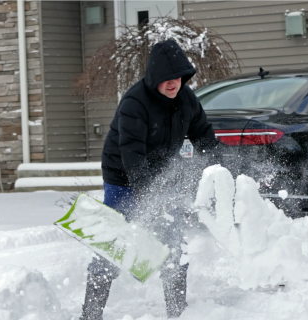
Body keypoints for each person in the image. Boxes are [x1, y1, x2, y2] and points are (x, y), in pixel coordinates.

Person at [80, 39, 220, 320]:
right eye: (166, 78)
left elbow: (204, 136)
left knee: (174, 244)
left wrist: (220, 171)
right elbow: (132, 155)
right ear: (154, 77)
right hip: (122, 176)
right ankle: (91, 314)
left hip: (160, 175)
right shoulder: (135, 103)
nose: (173, 83)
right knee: (114, 243)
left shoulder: (187, 99)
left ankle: (177, 313)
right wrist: (149, 200)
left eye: (177, 77)